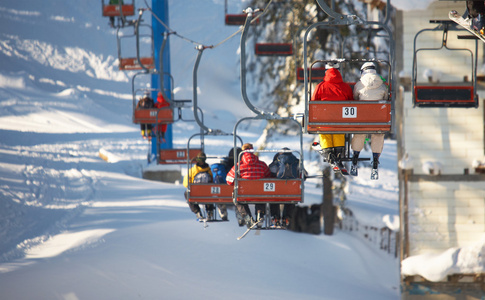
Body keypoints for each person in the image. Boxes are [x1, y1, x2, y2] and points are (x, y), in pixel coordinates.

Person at [311, 63, 353, 173]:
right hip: (341, 122)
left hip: (324, 122)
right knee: (338, 131)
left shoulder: (320, 86)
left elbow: (313, 103)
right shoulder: (345, 87)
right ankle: (338, 154)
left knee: (325, 133)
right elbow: (352, 102)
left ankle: (329, 154)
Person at [350, 62, 388, 180]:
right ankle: (375, 161)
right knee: (378, 135)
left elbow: (355, 98)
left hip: (362, 119)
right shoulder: (383, 86)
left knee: (359, 134)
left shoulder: (359, 85)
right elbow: (386, 99)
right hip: (378, 120)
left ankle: (355, 157)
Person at [226, 143, 271, 228]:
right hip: (259, 193)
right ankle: (260, 214)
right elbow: (268, 176)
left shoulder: (238, 165)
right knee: (261, 197)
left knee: (238, 200)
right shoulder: (262, 164)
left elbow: (229, 180)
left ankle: (247, 217)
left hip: (244, 194)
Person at [268, 148, 306, 228]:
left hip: (278, 189)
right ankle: (287, 217)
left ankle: (275, 217)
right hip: (292, 189)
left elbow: (270, 172)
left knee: (274, 199)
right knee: (291, 199)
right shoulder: (296, 161)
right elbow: (304, 174)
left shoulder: (277, 161)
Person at [183, 152, 215, 220]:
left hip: (196, 193)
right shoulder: (209, 170)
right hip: (207, 193)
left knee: (187, 194)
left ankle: (197, 211)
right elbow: (212, 181)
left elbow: (186, 183)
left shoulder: (193, 170)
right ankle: (209, 210)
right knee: (210, 193)